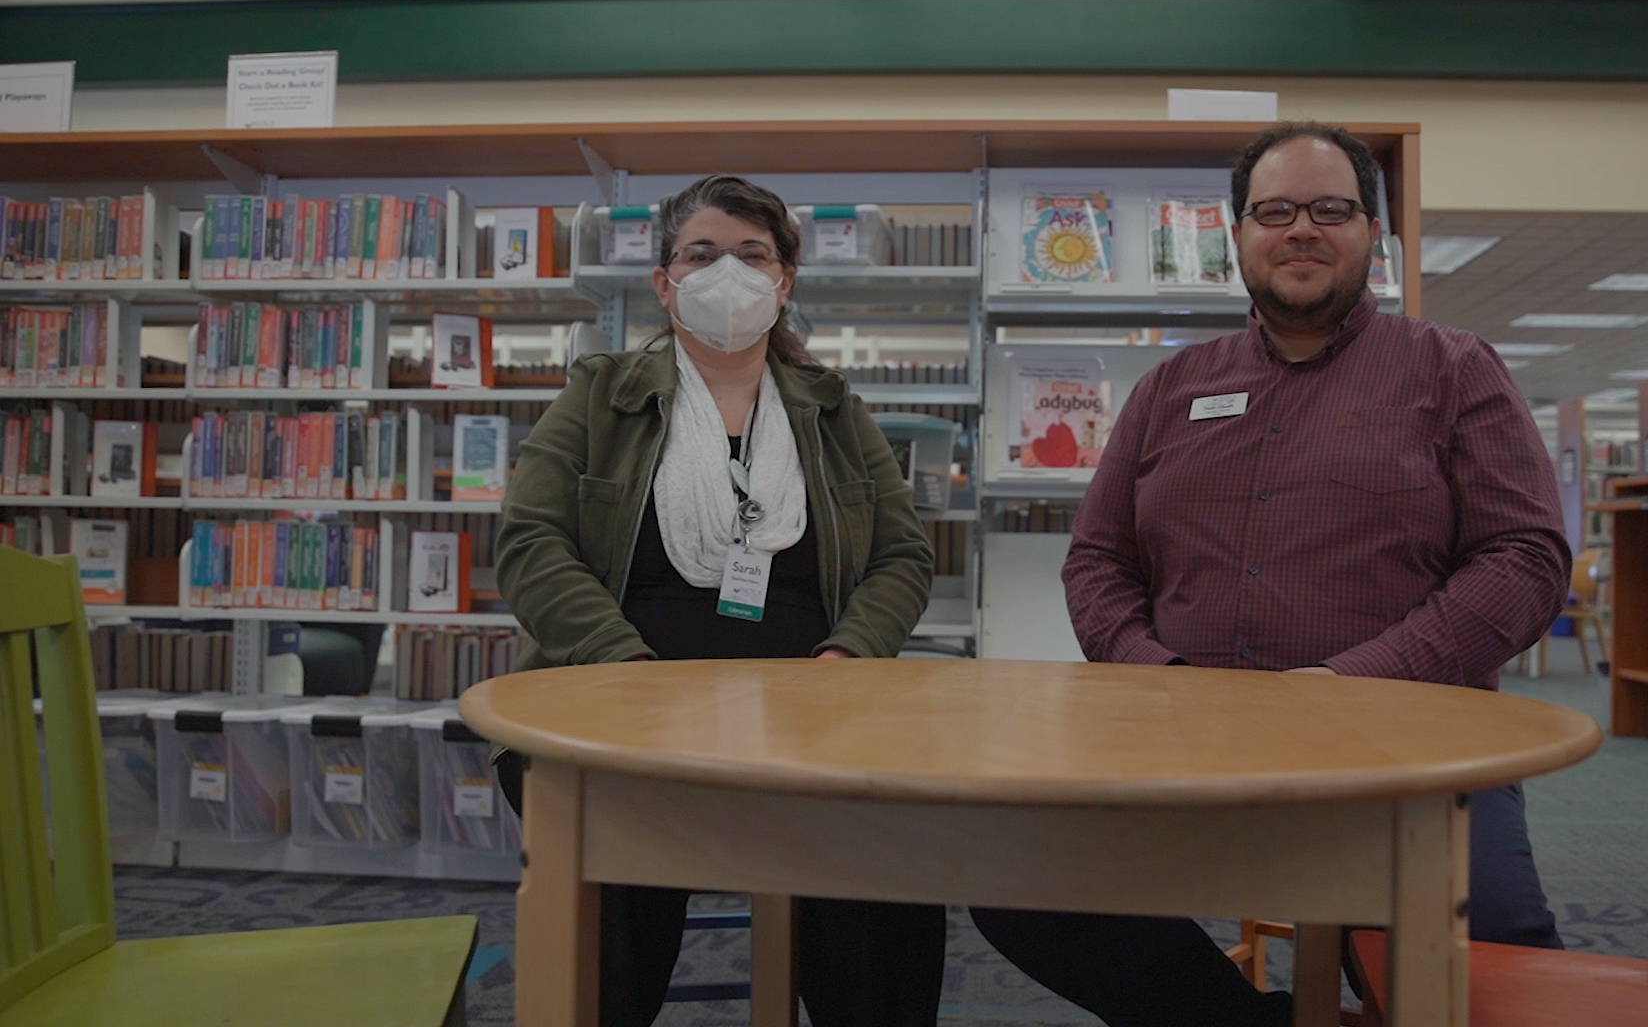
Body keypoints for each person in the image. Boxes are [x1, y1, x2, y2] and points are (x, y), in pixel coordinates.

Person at [970, 123, 1572, 1026]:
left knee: (1491, 973)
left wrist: (1354, 684)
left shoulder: (1453, 370)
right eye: (1275, 210)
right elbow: (1098, 560)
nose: (1302, 229)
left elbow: (1525, 558)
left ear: (1372, 233)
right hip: (1184, 748)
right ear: (1237, 233)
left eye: (1331, 209)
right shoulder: (1170, 390)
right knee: (1015, 875)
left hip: (1409, 753)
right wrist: (1162, 682)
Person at [495, 175, 944, 1027]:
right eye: (701, 255)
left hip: (815, 717)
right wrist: (623, 668)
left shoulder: (836, 411)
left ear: (785, 282)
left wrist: (846, 658)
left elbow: (901, 555)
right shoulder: (600, 396)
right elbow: (530, 544)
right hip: (617, 706)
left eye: (752, 255)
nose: (726, 274)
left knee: (888, 863)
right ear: (664, 282)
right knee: (607, 882)